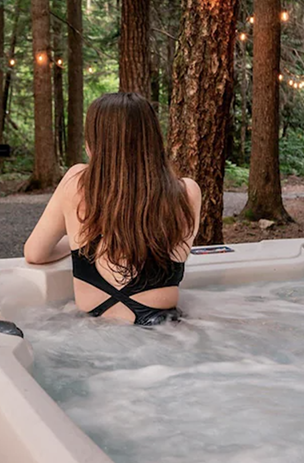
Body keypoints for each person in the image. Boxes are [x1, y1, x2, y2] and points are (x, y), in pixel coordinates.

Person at [24, 92, 202, 325]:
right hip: (163, 332)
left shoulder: (75, 182)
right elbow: (176, 253)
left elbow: (35, 253)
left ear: (92, 144)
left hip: (93, 330)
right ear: (154, 140)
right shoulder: (186, 192)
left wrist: (79, 241)